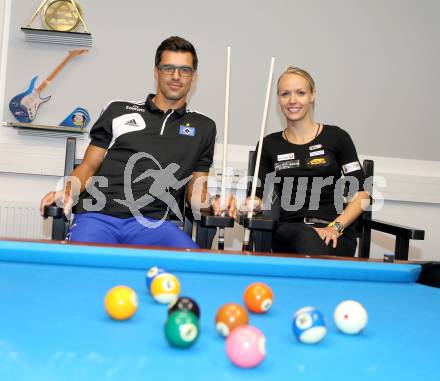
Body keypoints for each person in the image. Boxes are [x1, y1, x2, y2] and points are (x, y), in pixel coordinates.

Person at [40, 36, 236, 248]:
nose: (176, 76)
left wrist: (216, 202)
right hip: (98, 216)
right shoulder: (117, 110)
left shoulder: (204, 127)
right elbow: (88, 167)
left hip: (155, 224)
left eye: (184, 70)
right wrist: (66, 191)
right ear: (156, 71)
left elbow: (197, 191)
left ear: (194, 76)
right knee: (81, 269)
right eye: (168, 68)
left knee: (194, 269)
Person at [243, 66, 370, 256]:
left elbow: (362, 195)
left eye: (300, 93)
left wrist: (335, 227)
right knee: (306, 237)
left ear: (312, 95)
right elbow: (257, 194)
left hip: (336, 233)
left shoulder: (337, 137)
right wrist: (253, 203)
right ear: (278, 99)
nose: (292, 100)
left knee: (314, 241)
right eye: (285, 94)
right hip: (291, 231)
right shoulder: (269, 144)